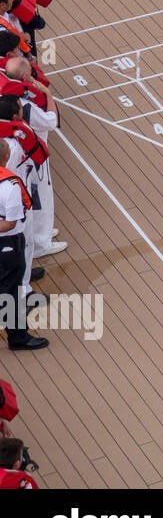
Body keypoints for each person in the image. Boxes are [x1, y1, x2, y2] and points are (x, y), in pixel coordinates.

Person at [3, 56, 61, 262]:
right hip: (32, 165)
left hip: (20, 170)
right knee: (42, 199)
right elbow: (50, 121)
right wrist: (48, 94)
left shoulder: (7, 101)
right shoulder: (27, 106)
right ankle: (42, 242)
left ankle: (39, 235)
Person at [0, 94, 44, 350]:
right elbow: (12, 222)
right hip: (8, 241)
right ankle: (17, 337)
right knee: (10, 291)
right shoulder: (10, 185)